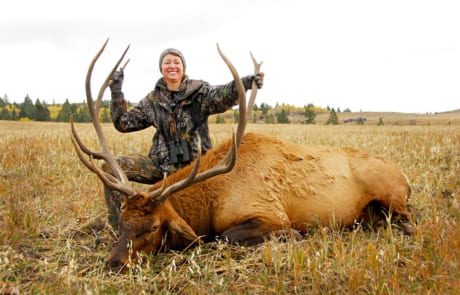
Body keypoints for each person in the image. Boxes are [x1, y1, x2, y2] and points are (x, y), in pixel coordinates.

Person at [103, 48, 264, 229]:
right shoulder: (152, 100)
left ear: (183, 67)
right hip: (161, 166)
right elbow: (123, 123)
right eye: (167, 62)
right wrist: (116, 91)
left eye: (176, 62)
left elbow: (222, 95)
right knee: (111, 168)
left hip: (195, 169)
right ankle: (121, 228)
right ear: (161, 69)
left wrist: (245, 83)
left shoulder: (200, 92)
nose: (172, 66)